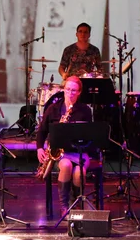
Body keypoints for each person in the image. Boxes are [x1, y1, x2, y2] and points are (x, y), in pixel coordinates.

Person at [36, 76, 92, 217]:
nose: (70, 93)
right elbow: (42, 131)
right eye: (67, 89)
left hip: (79, 152)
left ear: (79, 92)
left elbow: (89, 136)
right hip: (60, 155)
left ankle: (76, 204)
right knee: (66, 165)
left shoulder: (85, 110)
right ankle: (64, 207)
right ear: (63, 89)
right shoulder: (53, 109)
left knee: (79, 173)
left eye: (74, 90)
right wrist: (39, 148)